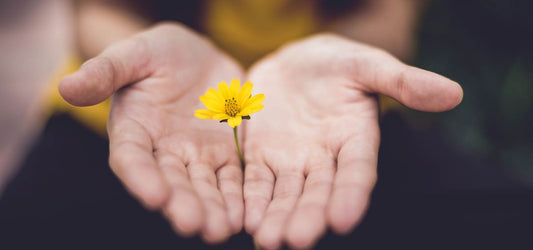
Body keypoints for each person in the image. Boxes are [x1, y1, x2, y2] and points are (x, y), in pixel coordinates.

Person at [56, 1, 462, 249]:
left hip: (330, 116)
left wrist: (347, 53)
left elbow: (386, 16)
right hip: (142, 113)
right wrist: (134, 55)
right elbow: (97, 9)